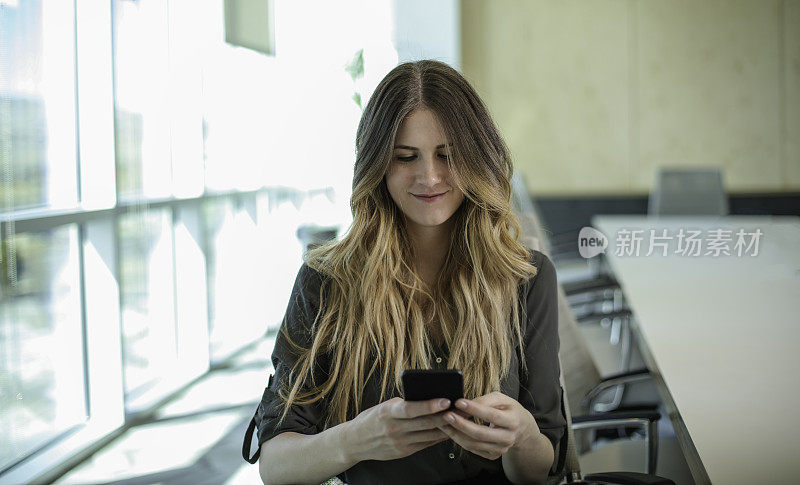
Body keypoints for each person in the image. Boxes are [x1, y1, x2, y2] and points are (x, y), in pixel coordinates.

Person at [242, 59, 566, 485]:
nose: (429, 176)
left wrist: (523, 437)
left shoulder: (526, 278)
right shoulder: (327, 282)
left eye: (447, 155)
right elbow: (275, 466)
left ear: (476, 158)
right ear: (378, 165)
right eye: (405, 157)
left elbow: (541, 470)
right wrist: (356, 441)